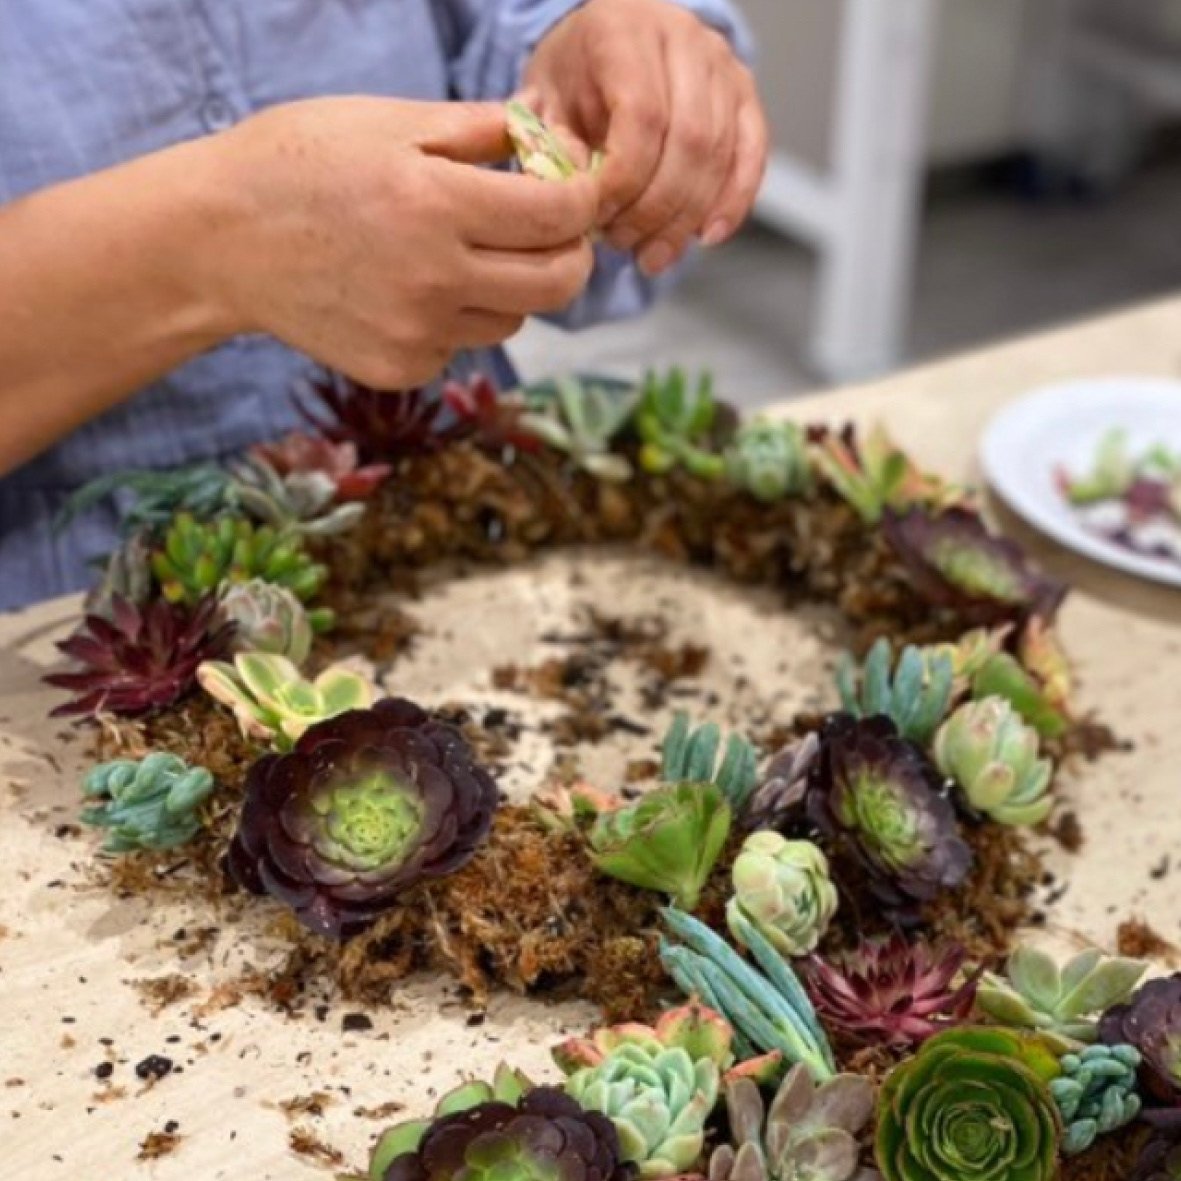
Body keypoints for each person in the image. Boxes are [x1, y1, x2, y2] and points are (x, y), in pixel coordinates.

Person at [0, 0, 768, 610]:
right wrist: (212, 243)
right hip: (58, 639)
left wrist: (607, 52)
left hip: (461, 541)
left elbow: (525, 31)